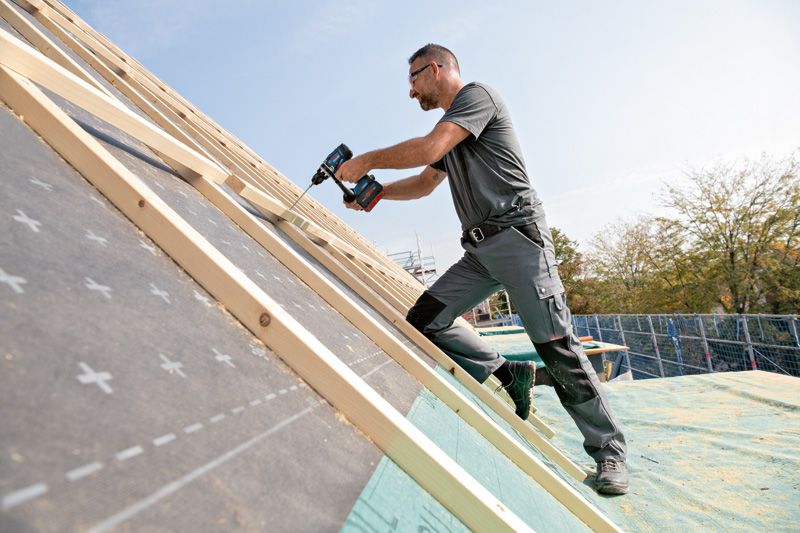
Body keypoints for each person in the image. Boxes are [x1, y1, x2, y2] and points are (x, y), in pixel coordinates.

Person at [336, 43, 628, 495]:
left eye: (413, 79)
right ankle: (509, 373)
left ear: (435, 69)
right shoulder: (451, 132)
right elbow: (425, 183)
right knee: (424, 321)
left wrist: (367, 160)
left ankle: (609, 452)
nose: (411, 92)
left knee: (557, 349)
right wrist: (378, 194)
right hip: (480, 252)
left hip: (519, 242)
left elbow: (430, 147)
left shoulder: (477, 98)